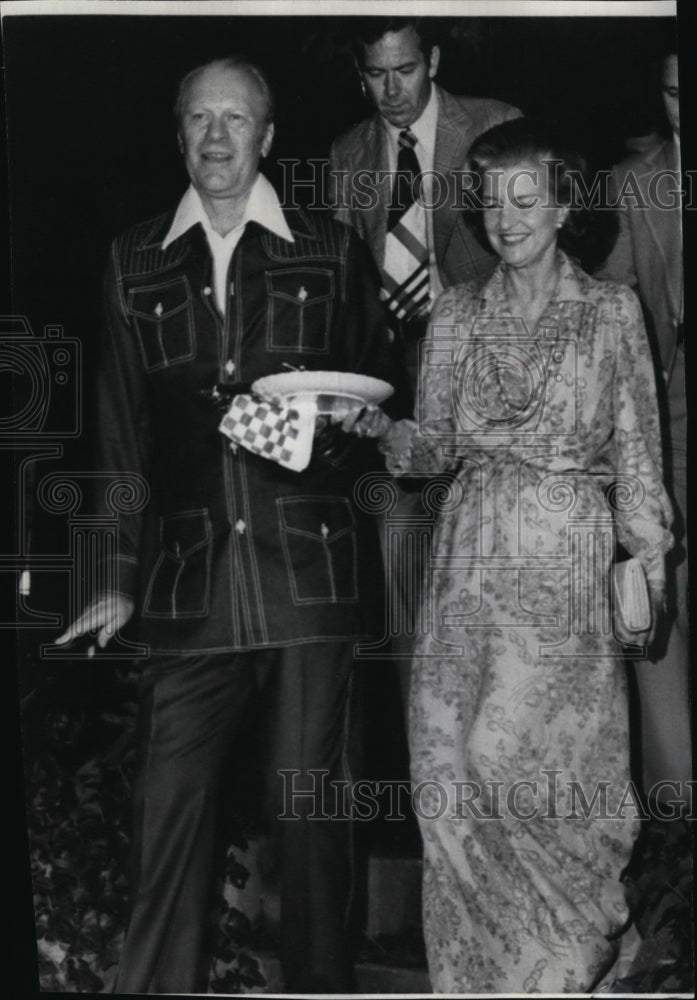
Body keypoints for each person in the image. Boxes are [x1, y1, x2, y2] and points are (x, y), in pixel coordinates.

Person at [55, 56, 395, 994]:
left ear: (267, 136)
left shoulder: (326, 247)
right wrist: (110, 575)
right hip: (185, 584)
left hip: (308, 579)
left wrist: (344, 433)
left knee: (310, 820)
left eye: (234, 120)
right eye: (199, 119)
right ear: (178, 136)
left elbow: (377, 396)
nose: (216, 137)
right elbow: (117, 435)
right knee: (164, 810)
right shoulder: (133, 259)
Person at [339, 119, 674, 992]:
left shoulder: (608, 311)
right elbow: (434, 450)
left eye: (526, 199)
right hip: (464, 565)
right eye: (491, 201)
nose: (506, 218)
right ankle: (482, 978)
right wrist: (385, 432)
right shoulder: (454, 313)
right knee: (443, 771)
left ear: (563, 206)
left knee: (508, 761)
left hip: (561, 557)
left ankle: (567, 958)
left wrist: (649, 563)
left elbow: (637, 453)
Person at [595, 47, 691, 810]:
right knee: (659, 633)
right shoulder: (634, 183)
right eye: (671, 95)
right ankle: (675, 855)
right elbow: (606, 301)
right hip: (670, 429)